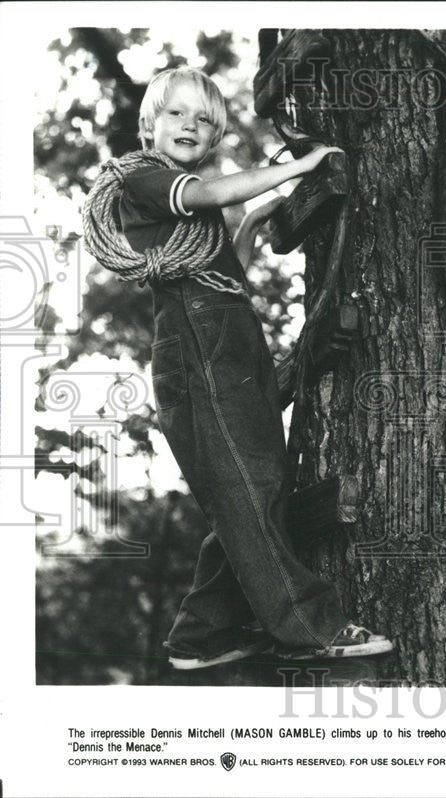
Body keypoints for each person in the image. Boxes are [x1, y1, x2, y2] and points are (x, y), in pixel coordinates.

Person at [111, 66, 392, 669]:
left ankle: (202, 635)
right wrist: (296, 167)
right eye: (177, 113)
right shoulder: (144, 180)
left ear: (214, 138)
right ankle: (311, 626)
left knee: (248, 491)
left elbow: (221, 279)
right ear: (148, 125)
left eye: (206, 119)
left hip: (230, 348)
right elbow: (212, 195)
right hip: (199, 356)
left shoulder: (186, 211)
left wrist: (251, 225)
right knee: (248, 489)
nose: (192, 124)